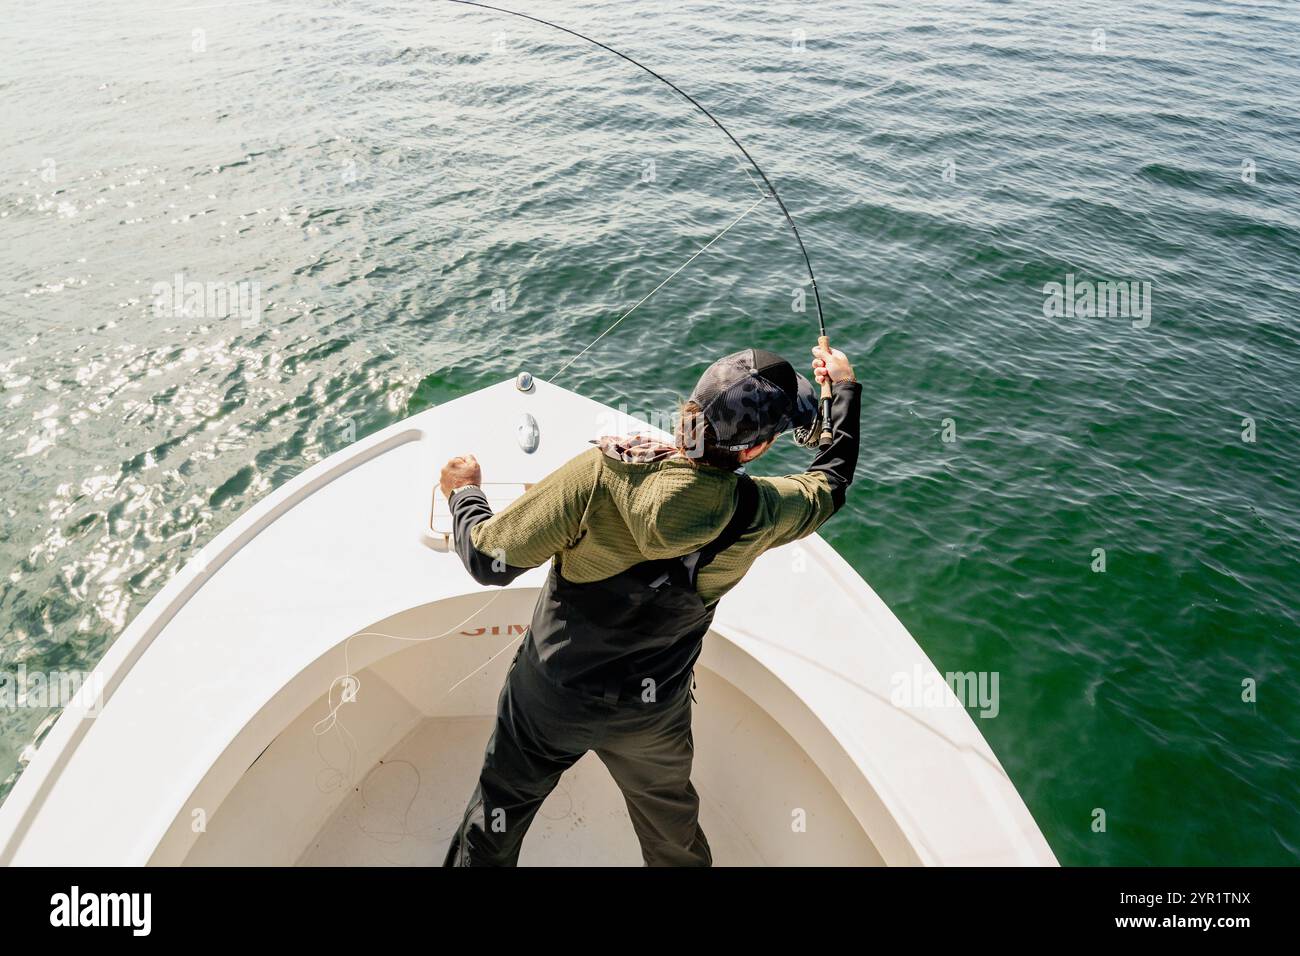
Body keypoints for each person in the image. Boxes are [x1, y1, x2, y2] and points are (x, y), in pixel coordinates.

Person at [439, 343, 860, 866]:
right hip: (651, 716)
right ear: (753, 451)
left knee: (495, 817)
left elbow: (489, 561)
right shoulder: (762, 513)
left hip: (550, 699)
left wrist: (464, 495)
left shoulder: (601, 473)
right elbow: (832, 481)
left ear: (691, 411)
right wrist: (841, 387)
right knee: (672, 838)